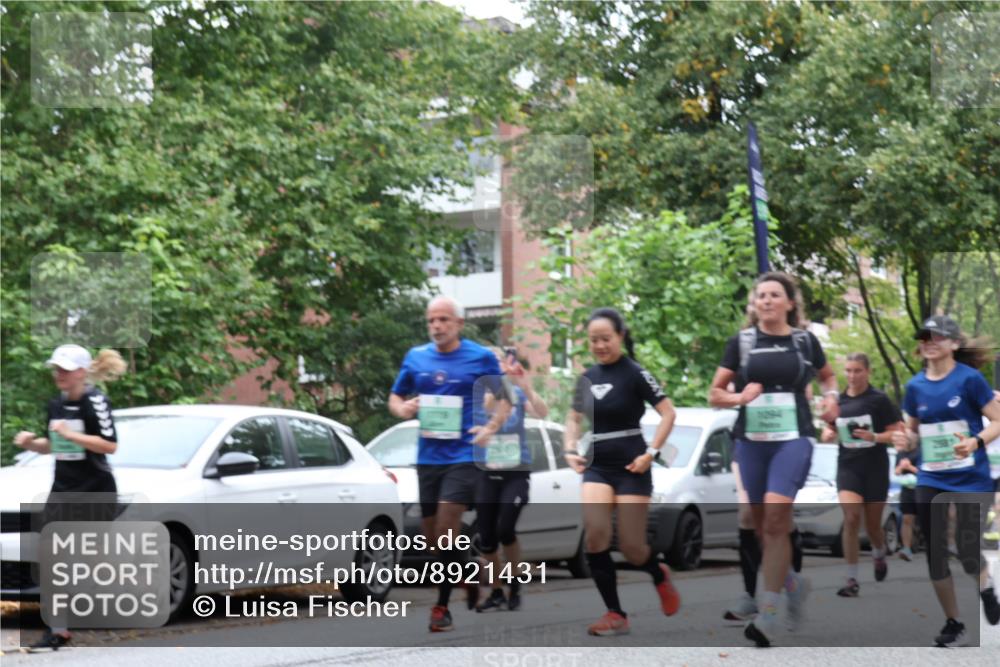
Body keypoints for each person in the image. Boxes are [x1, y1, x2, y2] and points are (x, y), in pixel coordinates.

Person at [708, 271, 840, 647]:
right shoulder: (742, 343)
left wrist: (832, 401)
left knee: (778, 516)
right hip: (751, 441)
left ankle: (767, 615)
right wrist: (738, 398)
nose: (765, 300)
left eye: (773, 295)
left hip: (793, 439)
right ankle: (794, 585)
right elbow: (714, 393)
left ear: (789, 303)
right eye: (760, 295)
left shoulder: (804, 341)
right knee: (763, 526)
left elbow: (829, 379)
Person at [388, 296, 512, 633]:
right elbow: (396, 397)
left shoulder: (479, 356)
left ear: (458, 323)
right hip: (428, 457)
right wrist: (403, 409)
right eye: (431, 320)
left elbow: (505, 401)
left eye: (443, 319)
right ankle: (467, 573)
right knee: (433, 542)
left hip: (464, 456)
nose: (437, 326)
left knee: (445, 528)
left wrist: (489, 428)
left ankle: (441, 607)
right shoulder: (416, 358)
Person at [562, 307, 681, 636]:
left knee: (632, 547)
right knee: (596, 533)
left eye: (606, 339)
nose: (600, 346)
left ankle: (658, 573)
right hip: (598, 465)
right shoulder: (586, 377)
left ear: (620, 337)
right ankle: (615, 613)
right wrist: (570, 448)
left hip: (632, 465)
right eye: (593, 340)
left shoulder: (635, 373)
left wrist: (651, 454)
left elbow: (668, 414)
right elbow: (573, 418)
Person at [890, 316, 1000, 646]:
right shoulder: (915, 387)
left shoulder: (970, 380)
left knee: (967, 549)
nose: (929, 341)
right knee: (936, 550)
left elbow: (997, 420)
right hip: (931, 476)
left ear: (953, 344)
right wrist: (904, 442)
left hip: (970, 477)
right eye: (924, 337)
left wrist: (975, 442)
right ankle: (953, 622)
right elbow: (912, 433)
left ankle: (986, 588)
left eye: (937, 336)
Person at [13, 344, 126, 652]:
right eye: (56, 368)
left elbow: (109, 446)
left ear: (81, 372)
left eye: (64, 369)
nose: (58, 374)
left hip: (95, 489)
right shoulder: (56, 405)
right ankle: (58, 630)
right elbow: (53, 444)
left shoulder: (96, 401)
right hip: (63, 489)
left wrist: (71, 434)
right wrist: (31, 444)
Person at [819, 352, 905, 596]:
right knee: (851, 518)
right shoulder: (839, 402)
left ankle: (878, 553)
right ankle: (851, 579)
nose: (852, 375)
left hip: (875, 467)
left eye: (857, 370)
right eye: (848, 371)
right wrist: (827, 434)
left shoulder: (879, 400)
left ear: (867, 372)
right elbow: (829, 429)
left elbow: (897, 434)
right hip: (848, 467)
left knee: (873, 527)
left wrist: (875, 437)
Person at [474, 347, 548, 612]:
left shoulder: (516, 392)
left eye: (498, 361)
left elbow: (542, 412)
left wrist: (526, 387)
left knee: (506, 530)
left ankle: (515, 583)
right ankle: (496, 591)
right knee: (487, 538)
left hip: (515, 473)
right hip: (487, 473)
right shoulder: (478, 393)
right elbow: (489, 405)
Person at [895, 445, 920, 561]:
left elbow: (925, 472)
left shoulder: (922, 450)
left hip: (922, 489)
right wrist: (900, 467)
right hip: (907, 490)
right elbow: (896, 472)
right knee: (906, 519)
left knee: (928, 520)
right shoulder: (901, 452)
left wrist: (909, 467)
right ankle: (906, 548)